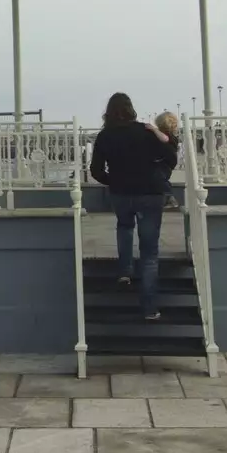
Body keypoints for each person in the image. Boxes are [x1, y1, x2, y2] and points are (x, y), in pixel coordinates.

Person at [89, 92, 177, 321]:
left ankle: (124, 272)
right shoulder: (145, 131)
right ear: (131, 109)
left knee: (125, 227)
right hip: (150, 193)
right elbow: (170, 155)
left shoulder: (105, 136)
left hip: (121, 194)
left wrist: (114, 181)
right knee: (149, 253)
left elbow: (96, 171)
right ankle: (149, 308)